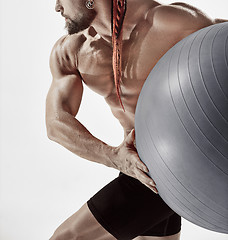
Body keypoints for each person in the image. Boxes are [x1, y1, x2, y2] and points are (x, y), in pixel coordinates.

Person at [45, 1, 227, 239]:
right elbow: (56, 123)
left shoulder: (170, 23)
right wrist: (114, 158)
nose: (57, 7)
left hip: (182, 167)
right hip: (143, 170)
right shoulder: (72, 50)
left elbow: (220, 43)